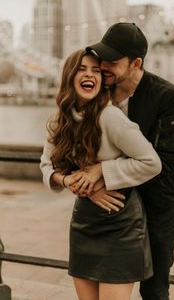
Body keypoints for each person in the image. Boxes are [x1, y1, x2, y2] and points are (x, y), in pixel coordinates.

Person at [40, 49, 162, 300]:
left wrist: (101, 171)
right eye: (82, 69)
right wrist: (69, 181)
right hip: (84, 220)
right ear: (69, 76)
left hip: (121, 223)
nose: (89, 75)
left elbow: (151, 162)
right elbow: (46, 166)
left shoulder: (110, 116)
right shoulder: (58, 120)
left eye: (96, 71)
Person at [84, 22, 174, 300]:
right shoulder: (95, 94)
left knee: (154, 289)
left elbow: (164, 162)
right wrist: (89, 185)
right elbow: (74, 147)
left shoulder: (167, 96)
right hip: (110, 204)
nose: (103, 65)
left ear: (136, 63)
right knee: (102, 282)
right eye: (101, 57)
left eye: (112, 61)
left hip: (156, 207)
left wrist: (101, 171)